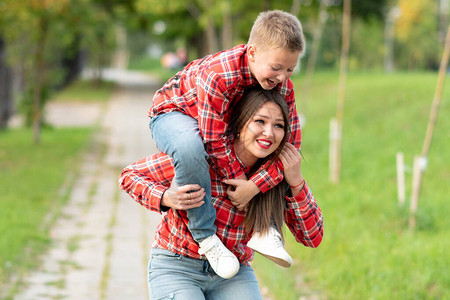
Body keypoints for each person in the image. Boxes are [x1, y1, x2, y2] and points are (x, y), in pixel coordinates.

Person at [120, 87, 323, 299]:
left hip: (233, 272)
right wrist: (166, 198)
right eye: (260, 122)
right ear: (240, 123)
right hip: (177, 265)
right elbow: (130, 176)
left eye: (278, 125)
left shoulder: (274, 174)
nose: (269, 133)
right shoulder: (205, 157)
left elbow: (311, 236)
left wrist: (296, 182)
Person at [148, 10, 305, 278]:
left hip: (212, 122)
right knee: (190, 147)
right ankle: (206, 236)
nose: (282, 78)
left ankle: (265, 229)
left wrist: (254, 186)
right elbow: (214, 141)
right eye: (276, 68)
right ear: (252, 53)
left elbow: (291, 145)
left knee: (269, 137)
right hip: (174, 113)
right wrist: (240, 184)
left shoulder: (282, 85)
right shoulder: (219, 75)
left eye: (289, 70)